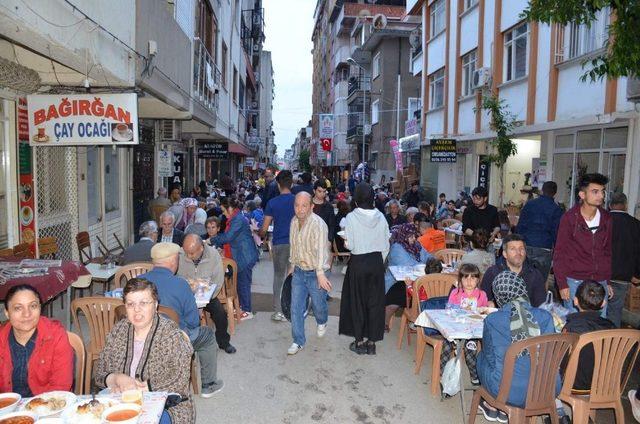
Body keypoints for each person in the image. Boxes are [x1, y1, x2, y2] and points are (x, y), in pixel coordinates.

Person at [94, 279, 194, 424]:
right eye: (131, 304)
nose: (137, 310)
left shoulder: (170, 334)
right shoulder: (118, 330)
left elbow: (180, 378)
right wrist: (115, 378)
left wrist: (146, 387)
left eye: (143, 303)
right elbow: (100, 372)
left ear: (155, 305)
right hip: (120, 402)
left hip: (166, 406)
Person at [139, 243, 223, 397]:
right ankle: (208, 385)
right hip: (174, 342)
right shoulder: (180, 284)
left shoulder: (137, 282)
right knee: (208, 335)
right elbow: (193, 322)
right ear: (173, 261)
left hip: (142, 340)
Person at [476, 271, 556, 422]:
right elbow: (550, 353)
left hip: (508, 392)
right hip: (547, 389)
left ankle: (493, 405)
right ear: (522, 289)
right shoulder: (546, 316)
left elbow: (489, 357)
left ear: (499, 294)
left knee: (481, 356)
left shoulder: (493, 320)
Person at [339, 183, 390, 355]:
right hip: (376, 263)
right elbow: (386, 244)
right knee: (375, 303)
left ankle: (359, 341)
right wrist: (379, 261)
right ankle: (372, 342)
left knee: (357, 302)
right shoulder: (381, 217)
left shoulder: (352, 217)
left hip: (358, 263)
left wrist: (346, 240)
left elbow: (350, 245)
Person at [553, 173, 613, 316]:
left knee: (599, 325)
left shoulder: (607, 218)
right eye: (595, 191)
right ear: (582, 194)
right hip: (574, 281)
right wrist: (562, 284)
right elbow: (559, 253)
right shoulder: (569, 219)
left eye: (602, 191)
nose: (600, 195)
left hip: (600, 281)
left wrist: (607, 280)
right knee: (576, 326)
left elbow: (607, 251)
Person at [0, 284, 73, 396]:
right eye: (18, 308)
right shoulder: (2, 339)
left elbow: (61, 387)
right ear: (7, 313)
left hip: (47, 406)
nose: (27, 314)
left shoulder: (56, 336)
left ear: (40, 308)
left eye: (33, 306)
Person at [286, 193, 332, 355]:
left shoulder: (318, 225)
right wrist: (292, 264)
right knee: (295, 308)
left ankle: (322, 321)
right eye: (297, 205)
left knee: (319, 306)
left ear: (312, 206)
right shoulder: (293, 222)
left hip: (316, 272)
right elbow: (294, 245)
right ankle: (298, 341)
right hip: (299, 271)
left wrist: (320, 274)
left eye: (304, 205)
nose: (300, 209)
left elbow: (321, 251)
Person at [179, 234, 235, 354]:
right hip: (185, 294)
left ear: (201, 248)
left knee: (220, 313)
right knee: (180, 314)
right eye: (186, 252)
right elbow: (176, 276)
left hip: (207, 294)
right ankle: (188, 344)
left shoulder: (213, 255)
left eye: (192, 253)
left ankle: (223, 342)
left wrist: (204, 299)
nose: (188, 256)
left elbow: (218, 280)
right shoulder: (180, 254)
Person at [562, 280, 615, 392]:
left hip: (574, 384)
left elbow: (561, 358)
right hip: (603, 385)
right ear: (603, 303)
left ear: (575, 301)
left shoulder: (572, 328)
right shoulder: (611, 327)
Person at [439, 264, 487, 387]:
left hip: (472, 332)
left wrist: (481, 310)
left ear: (478, 280)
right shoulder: (455, 293)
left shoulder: (481, 295)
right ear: (460, 280)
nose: (469, 281)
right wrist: (456, 309)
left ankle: (474, 375)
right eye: (465, 278)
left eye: (473, 278)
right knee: (446, 347)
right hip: (455, 329)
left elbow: (484, 313)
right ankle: (442, 372)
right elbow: (448, 310)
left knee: (471, 352)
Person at [211, 197, 259, 320]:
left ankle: (247, 310)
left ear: (230, 208)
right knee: (240, 282)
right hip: (241, 254)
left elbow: (228, 237)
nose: (223, 213)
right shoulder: (235, 218)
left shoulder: (238, 220)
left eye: (224, 210)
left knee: (243, 283)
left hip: (245, 255)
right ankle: (243, 307)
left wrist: (211, 239)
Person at [260, 170, 295, 322]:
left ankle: (278, 311)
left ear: (279, 185)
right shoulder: (298, 201)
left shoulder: (272, 203)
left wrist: (260, 232)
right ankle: (293, 310)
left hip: (280, 243)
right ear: (291, 184)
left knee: (279, 277)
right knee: (294, 277)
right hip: (297, 244)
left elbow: (265, 227)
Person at [515, 181, 563, 284]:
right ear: (555, 193)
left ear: (542, 190)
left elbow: (520, 226)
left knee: (522, 280)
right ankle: (538, 300)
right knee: (539, 283)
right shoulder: (556, 209)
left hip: (526, 245)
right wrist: (557, 251)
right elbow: (556, 233)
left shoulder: (530, 204)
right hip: (544, 248)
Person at [481, 234, 546, 307]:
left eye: (521, 249)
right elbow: (484, 301)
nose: (518, 252)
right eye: (513, 249)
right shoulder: (493, 272)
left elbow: (541, 305)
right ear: (505, 254)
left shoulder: (534, 274)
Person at [608, 192, 640, 327]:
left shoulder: (602, 220)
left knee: (597, 309)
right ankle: (612, 343)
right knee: (615, 311)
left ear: (610, 205)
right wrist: (637, 274)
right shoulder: (636, 225)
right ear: (626, 205)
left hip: (601, 274)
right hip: (623, 276)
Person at [384, 223, 432, 293]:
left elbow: (427, 256)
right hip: (396, 285)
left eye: (414, 235)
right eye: (411, 236)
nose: (414, 238)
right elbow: (410, 266)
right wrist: (428, 267)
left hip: (413, 280)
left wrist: (435, 262)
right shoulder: (397, 248)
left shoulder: (416, 245)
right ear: (404, 236)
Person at [311, 179, 335, 244]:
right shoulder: (307, 204)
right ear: (314, 191)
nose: (322, 194)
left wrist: (329, 241)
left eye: (324, 191)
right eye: (319, 191)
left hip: (323, 241)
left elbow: (332, 226)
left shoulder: (329, 207)